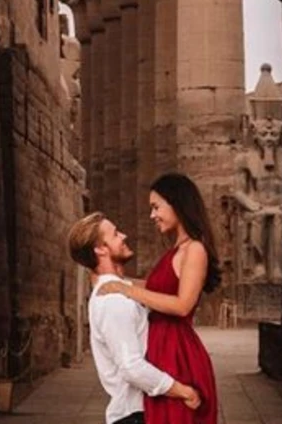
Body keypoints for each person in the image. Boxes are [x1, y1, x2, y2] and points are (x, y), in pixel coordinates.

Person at [99, 174, 221, 424]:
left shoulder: (195, 249)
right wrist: (115, 281)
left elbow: (183, 304)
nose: (152, 215)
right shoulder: (176, 249)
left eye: (156, 207)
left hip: (178, 353)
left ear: (177, 203)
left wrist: (127, 290)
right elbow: (156, 289)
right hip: (160, 349)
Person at [68, 213, 202, 424]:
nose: (123, 236)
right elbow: (131, 367)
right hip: (134, 415)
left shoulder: (120, 290)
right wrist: (183, 391)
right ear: (100, 249)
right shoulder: (113, 300)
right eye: (115, 234)